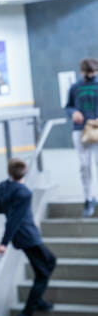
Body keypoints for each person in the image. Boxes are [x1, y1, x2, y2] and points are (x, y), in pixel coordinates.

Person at [0, 158, 57, 316]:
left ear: (9, 172)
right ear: (26, 172)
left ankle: (37, 300)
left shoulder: (4, 186)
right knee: (44, 273)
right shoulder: (24, 193)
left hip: (25, 237)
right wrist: (3, 244)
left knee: (50, 261)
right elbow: (14, 220)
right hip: (28, 236)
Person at [64, 57, 98, 217]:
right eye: (88, 72)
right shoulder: (75, 87)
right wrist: (74, 113)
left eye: (93, 72)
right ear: (82, 71)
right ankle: (88, 198)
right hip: (80, 130)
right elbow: (68, 106)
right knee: (84, 166)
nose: (91, 75)